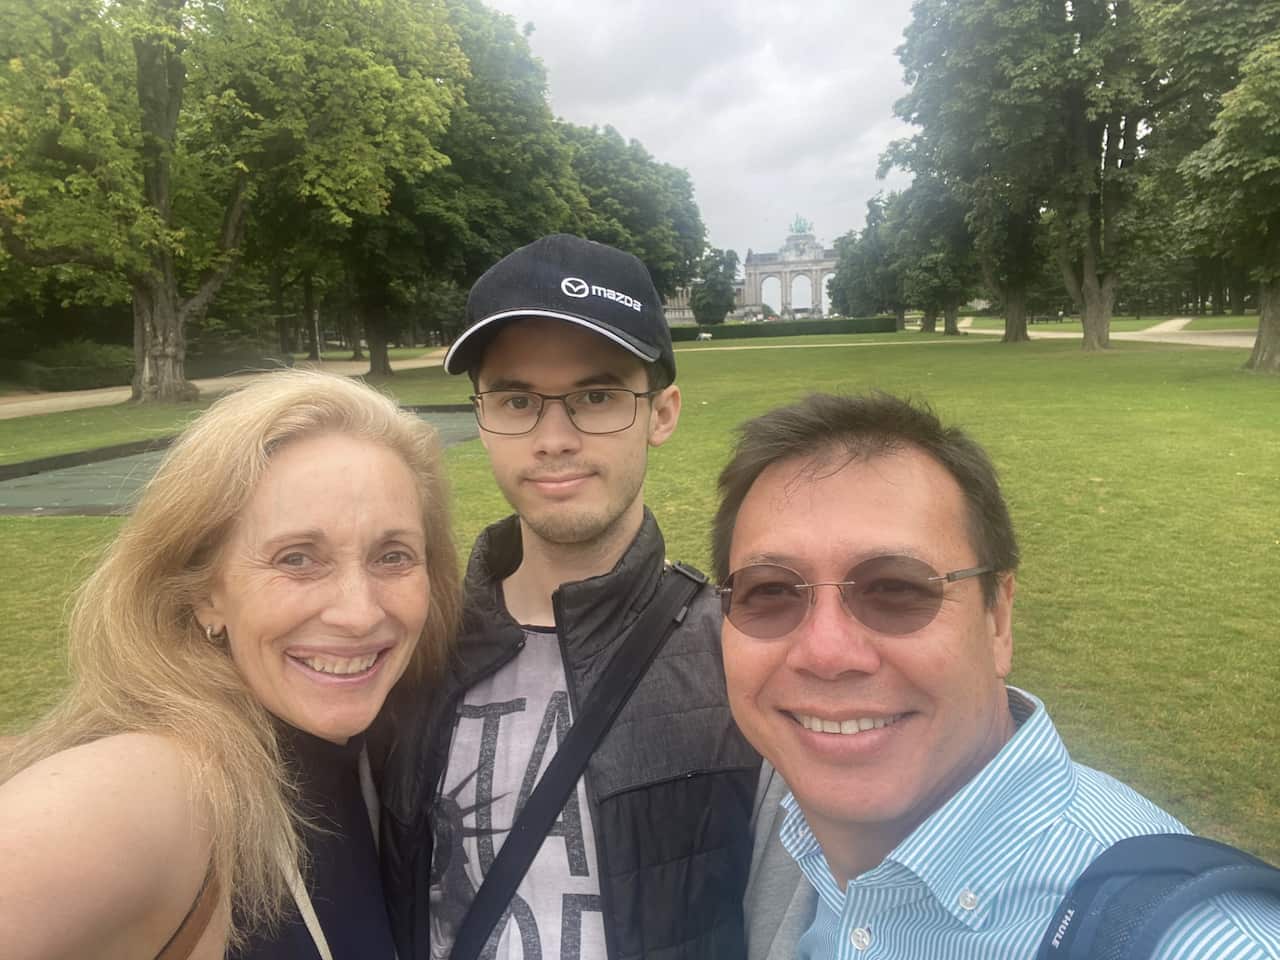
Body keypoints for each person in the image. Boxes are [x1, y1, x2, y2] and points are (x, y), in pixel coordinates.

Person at [710, 393, 1280, 959]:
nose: (827, 652)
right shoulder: (790, 840)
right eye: (772, 592)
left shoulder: (1199, 943)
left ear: (998, 618)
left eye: (897, 589)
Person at [378, 234, 760, 960]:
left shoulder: (742, 652)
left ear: (663, 412)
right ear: (481, 416)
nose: (554, 438)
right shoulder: (404, 650)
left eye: (596, 395)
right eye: (518, 399)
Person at [0, 370, 461, 960]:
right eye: (297, 559)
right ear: (203, 591)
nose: (358, 613)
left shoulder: (386, 755)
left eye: (392, 556)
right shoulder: (150, 791)